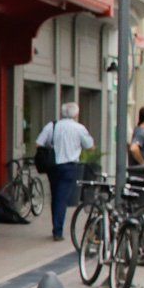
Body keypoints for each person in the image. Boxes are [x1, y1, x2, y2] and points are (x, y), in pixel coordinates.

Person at [35, 102, 94, 241]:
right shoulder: (79, 128)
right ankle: (58, 231)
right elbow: (90, 146)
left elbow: (39, 143)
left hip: (53, 166)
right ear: (76, 114)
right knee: (62, 197)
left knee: (55, 196)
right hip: (69, 166)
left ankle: (56, 225)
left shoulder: (52, 126)